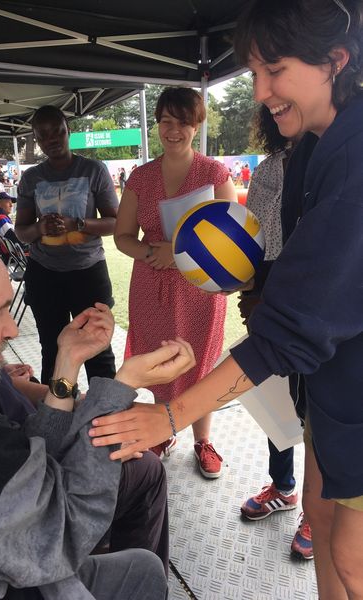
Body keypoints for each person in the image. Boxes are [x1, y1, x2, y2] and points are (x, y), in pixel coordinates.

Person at [90, 2, 363, 598]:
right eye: (254, 72)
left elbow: (295, 323)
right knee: (319, 516)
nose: (260, 89)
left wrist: (167, 416)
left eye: (275, 70)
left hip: (353, 384)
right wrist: (254, 278)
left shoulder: (354, 157)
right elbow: (295, 267)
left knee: (351, 552)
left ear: (336, 61)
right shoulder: (316, 148)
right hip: (334, 390)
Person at [0, 224, 195, 599]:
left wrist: (67, 361)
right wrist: (123, 386)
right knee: (142, 568)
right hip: (19, 573)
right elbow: (65, 529)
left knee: (143, 567)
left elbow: (25, 460)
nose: (13, 329)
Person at [114, 86, 236, 477]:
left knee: (198, 361)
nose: (173, 130)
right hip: (152, 286)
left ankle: (203, 440)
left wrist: (180, 250)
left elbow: (231, 238)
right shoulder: (141, 176)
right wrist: (153, 253)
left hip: (200, 287)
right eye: (166, 121)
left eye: (183, 122)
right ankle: (162, 428)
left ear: (196, 124)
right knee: (156, 359)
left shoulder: (214, 173)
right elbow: (122, 236)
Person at [238, 105, 312, 560]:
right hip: (265, 290)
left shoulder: (334, 161)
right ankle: (283, 486)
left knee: (317, 408)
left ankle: (316, 509)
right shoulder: (267, 169)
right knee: (277, 397)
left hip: (310, 295)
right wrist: (249, 291)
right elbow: (252, 239)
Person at [15, 105, 118, 385]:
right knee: (53, 349)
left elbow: (115, 222)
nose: (52, 139)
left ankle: (105, 416)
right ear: (36, 140)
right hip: (45, 274)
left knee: (98, 350)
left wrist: (78, 224)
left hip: (88, 274)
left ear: (68, 131)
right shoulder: (31, 178)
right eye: (44, 135)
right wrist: (39, 228)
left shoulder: (93, 170)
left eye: (58, 131)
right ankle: (55, 418)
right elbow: (21, 231)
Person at [0, 191, 26, 265]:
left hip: (11, 254)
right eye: (8, 202)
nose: (11, 205)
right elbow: (14, 238)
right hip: (14, 256)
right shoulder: (0, 219)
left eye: (11, 203)